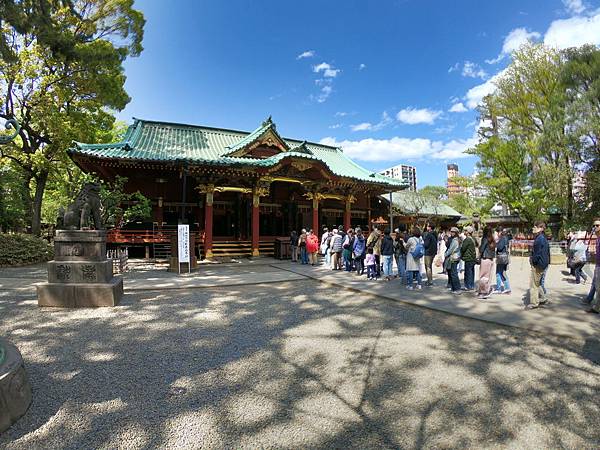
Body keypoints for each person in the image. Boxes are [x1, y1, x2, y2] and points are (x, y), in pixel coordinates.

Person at [527, 221, 550, 309]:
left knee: (533, 284)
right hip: (543, 264)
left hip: (538, 264)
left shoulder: (539, 239)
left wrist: (533, 261)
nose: (533, 228)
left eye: (535, 227)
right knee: (538, 283)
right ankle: (543, 298)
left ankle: (534, 303)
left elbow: (537, 254)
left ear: (540, 228)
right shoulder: (542, 238)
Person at [585, 219, 600, 314]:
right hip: (598, 265)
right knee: (598, 287)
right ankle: (596, 307)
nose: (595, 227)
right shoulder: (598, 239)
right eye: (594, 225)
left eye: (597, 225)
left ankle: (596, 307)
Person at [477, 226, 496, 299]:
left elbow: (482, 249)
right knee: (488, 276)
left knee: (483, 276)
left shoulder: (485, 239)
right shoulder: (492, 239)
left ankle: (483, 292)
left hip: (485, 258)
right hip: (490, 259)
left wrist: (479, 250)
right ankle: (487, 290)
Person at [493, 229, 511, 294]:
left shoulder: (502, 239)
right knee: (503, 273)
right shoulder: (506, 238)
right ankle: (507, 288)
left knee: (498, 273)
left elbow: (500, 248)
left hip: (501, 257)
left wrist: (496, 244)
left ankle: (499, 288)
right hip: (505, 257)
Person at [444, 227, 462, 294]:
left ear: (456, 233)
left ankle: (457, 289)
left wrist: (445, 254)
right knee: (453, 273)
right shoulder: (458, 239)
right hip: (457, 257)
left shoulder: (455, 240)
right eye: (451, 231)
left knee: (454, 274)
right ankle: (454, 288)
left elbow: (451, 249)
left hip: (453, 258)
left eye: (453, 232)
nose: (451, 233)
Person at [460, 225, 477, 291]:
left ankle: (468, 286)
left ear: (468, 232)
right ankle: (471, 285)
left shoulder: (467, 239)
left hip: (468, 257)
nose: (464, 231)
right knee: (472, 272)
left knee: (468, 272)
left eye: (465, 230)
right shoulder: (473, 238)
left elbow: (463, 248)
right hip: (473, 257)